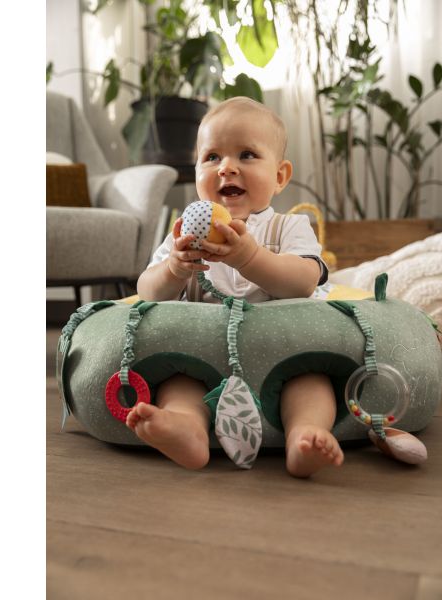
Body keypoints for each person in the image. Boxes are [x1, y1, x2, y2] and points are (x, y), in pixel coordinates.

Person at [126, 97, 344, 477]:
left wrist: (249, 257)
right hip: (206, 358)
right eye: (212, 157)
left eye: (246, 154)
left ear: (280, 176)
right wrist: (174, 269)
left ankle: (305, 434)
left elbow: (304, 280)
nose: (226, 167)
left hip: (283, 355)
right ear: (197, 171)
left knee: (312, 383)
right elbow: (147, 290)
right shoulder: (184, 235)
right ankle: (187, 427)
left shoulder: (288, 228)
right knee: (180, 383)